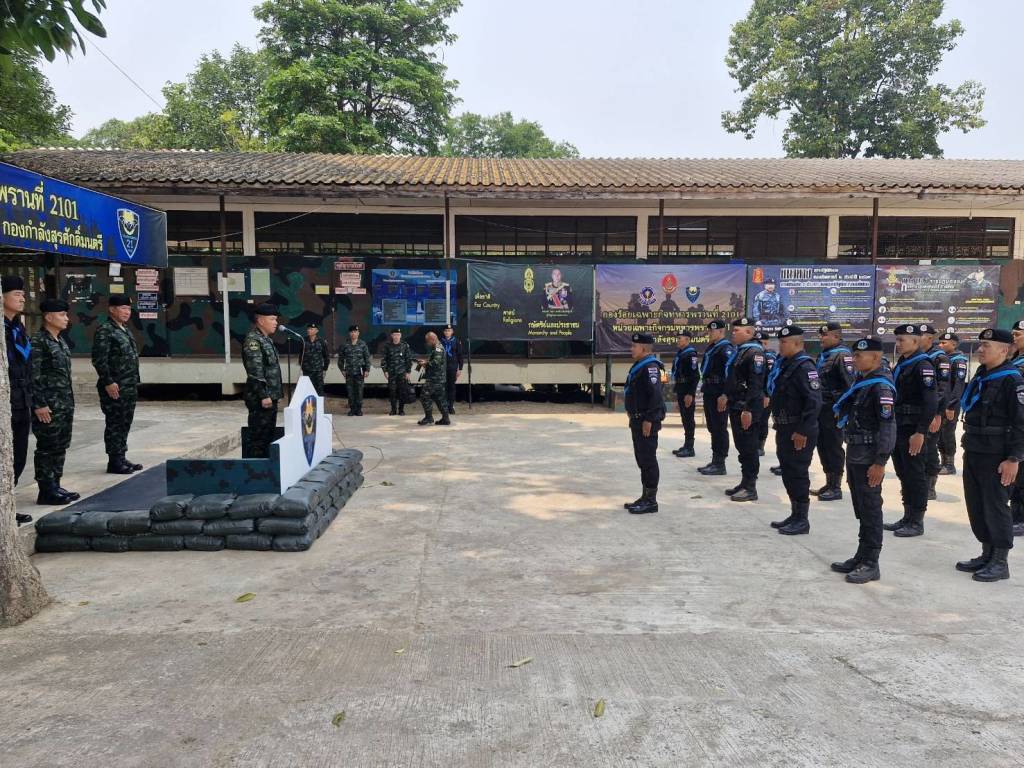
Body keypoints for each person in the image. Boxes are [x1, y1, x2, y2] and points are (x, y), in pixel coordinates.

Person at [955, 328, 1024, 582]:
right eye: (981, 344)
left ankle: (1000, 561)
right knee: (977, 505)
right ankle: (987, 554)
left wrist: (1014, 458)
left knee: (995, 507)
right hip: (974, 449)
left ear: (1004, 350)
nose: (981, 350)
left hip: (998, 456)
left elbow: (1021, 423)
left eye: (987, 346)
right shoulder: (982, 374)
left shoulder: (1013, 380)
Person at [830, 337, 896, 583]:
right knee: (861, 507)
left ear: (875, 358)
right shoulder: (863, 381)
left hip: (869, 457)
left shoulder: (881, 387)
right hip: (856, 453)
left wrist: (880, 462)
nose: (854, 359)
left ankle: (871, 562)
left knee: (870, 508)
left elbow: (888, 427)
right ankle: (861, 555)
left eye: (859, 356)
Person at [884, 324, 938, 537]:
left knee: (915, 474)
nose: (897, 344)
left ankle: (917, 521)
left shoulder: (922, 365)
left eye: (901, 340)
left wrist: (921, 432)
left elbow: (931, 401)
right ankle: (907, 516)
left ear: (915, 341)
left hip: (913, 429)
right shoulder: (904, 363)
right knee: (903, 472)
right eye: (896, 340)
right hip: (899, 425)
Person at [766, 325, 821, 534]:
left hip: (799, 430)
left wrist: (803, 431)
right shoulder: (786, 364)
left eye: (784, 342)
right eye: (780, 342)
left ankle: (802, 520)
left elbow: (814, 401)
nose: (780, 346)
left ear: (798, 343)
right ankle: (795, 514)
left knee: (798, 473)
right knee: (788, 472)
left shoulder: (805, 367)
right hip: (785, 427)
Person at [31, 298, 79, 505]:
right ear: (49, 317)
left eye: (66, 314)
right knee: (47, 447)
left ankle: (55, 484)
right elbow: (33, 375)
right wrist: (39, 404)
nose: (66, 318)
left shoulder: (59, 340)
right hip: (48, 406)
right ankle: (46, 490)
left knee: (60, 445)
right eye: (62, 315)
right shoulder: (38, 342)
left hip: (63, 404)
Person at [91, 294, 142, 475]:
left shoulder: (124, 329)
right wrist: (108, 381)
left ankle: (121, 456)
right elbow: (99, 359)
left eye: (128, 309)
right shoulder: (105, 330)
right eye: (123, 308)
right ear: (112, 309)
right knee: (115, 423)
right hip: (115, 386)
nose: (127, 312)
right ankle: (114, 461)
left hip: (128, 385)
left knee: (125, 421)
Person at [622, 332, 666, 514]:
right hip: (637, 419)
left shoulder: (651, 367)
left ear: (643, 348)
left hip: (646, 421)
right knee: (641, 459)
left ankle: (651, 501)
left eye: (634, 346)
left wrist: (650, 419)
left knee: (648, 460)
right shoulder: (641, 365)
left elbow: (656, 395)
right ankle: (644, 496)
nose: (631, 349)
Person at [722, 317, 765, 502]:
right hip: (736, 405)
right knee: (742, 447)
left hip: (746, 408)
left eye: (736, 330)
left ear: (748, 332)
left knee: (749, 448)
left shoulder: (755, 353)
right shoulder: (741, 351)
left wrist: (748, 409)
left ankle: (751, 487)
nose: (733, 333)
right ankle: (744, 482)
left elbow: (756, 384)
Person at [813, 323, 855, 501]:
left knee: (833, 447)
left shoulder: (842, 356)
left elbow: (850, 386)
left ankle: (836, 487)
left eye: (825, 335)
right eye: (821, 335)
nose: (821, 338)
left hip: (833, 411)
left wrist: (844, 411)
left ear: (836, 337)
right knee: (822, 445)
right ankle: (829, 482)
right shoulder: (824, 355)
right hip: (821, 409)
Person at [4, 276, 33, 524]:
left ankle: (8, 506)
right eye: (16, 294)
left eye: (23, 294)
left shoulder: (17, 327)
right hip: (6, 401)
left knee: (19, 456)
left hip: (22, 401)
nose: (22, 298)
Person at [241, 303, 283, 458]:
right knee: (258, 438)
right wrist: (264, 395)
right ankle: (255, 467)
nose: (276, 323)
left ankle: (265, 466)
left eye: (276, 319)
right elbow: (255, 372)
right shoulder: (253, 341)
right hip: (261, 399)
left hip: (270, 396)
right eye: (272, 319)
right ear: (260, 320)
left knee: (267, 436)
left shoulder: (266, 340)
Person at [697, 320, 733, 476]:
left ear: (721, 331)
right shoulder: (712, 348)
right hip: (710, 391)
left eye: (712, 331)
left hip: (719, 393)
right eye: (709, 331)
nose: (709, 333)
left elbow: (730, 374)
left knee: (719, 427)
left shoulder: (726, 349)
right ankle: (715, 460)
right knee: (713, 427)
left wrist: (725, 394)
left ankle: (720, 463)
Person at [920, 324, 952, 500]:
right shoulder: (917, 356)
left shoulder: (940, 358)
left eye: (922, 335)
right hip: (917, 412)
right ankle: (919, 483)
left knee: (929, 448)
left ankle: (930, 487)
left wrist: (936, 413)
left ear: (930, 338)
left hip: (932, 413)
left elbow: (942, 388)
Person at [937, 332, 969, 475]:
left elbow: (958, 385)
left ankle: (950, 465)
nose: (940, 345)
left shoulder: (959, 361)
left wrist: (951, 405)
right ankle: (943, 461)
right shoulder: (943, 359)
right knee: (939, 433)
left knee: (948, 433)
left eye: (944, 343)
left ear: (954, 344)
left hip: (951, 404)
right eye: (940, 343)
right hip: (942, 402)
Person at [670, 330, 699, 458]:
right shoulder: (681, 353)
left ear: (687, 340)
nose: (677, 340)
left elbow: (695, 376)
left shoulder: (690, 354)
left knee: (688, 418)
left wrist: (690, 394)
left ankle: (690, 447)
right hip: (681, 388)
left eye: (679, 338)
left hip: (687, 390)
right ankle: (686, 445)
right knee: (685, 418)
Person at [416, 330, 450, 426]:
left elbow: (436, 363)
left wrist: (425, 363)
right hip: (438, 379)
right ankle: (445, 418)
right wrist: (426, 362)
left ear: (433, 339)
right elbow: (435, 361)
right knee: (439, 398)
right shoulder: (436, 348)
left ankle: (429, 418)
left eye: (428, 341)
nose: (427, 343)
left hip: (435, 379)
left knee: (424, 396)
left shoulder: (438, 349)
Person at [1010, 319, 1024, 536]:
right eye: (1013, 334)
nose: (1014, 338)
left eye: (1018, 334)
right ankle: (1015, 514)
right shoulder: (1014, 359)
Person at [338, 324, 370, 416]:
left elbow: (367, 358)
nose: (353, 333)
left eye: (355, 332)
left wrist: (367, 370)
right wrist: (342, 370)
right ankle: (352, 409)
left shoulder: (363, 344)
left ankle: (359, 409)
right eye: (351, 332)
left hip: (360, 372)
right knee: (350, 392)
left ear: (358, 333)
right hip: (349, 372)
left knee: (359, 391)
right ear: (349, 333)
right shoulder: (345, 345)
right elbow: (340, 359)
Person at [381, 328, 413, 416]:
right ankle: (393, 409)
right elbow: (384, 360)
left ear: (400, 335)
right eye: (394, 335)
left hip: (402, 373)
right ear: (392, 336)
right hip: (391, 373)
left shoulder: (405, 346)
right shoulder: (387, 346)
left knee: (402, 392)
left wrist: (408, 372)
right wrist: (385, 371)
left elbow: (408, 359)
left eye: (398, 335)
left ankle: (401, 410)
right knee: (392, 392)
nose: (396, 337)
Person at [756, 331, 777, 457]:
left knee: (763, 420)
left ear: (767, 343)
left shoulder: (769, 357)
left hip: (765, 395)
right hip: (756, 393)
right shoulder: (756, 354)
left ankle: (760, 446)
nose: (761, 346)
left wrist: (767, 395)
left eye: (763, 343)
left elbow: (770, 377)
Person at [299, 323, 330, 396]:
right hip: (307, 371)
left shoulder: (321, 341)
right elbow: (301, 355)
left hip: (318, 371)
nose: (309, 330)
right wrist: (302, 367)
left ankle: (319, 403)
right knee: (308, 390)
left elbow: (326, 356)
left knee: (319, 390)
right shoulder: (303, 340)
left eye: (311, 329)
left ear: (316, 331)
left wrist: (325, 369)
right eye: (308, 329)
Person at [440, 324, 464, 414]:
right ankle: (444, 405)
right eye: (446, 331)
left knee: (451, 386)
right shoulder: (440, 342)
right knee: (444, 386)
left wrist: (460, 369)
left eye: (449, 331)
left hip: (452, 367)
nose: (447, 332)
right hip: (442, 367)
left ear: (452, 332)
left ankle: (451, 406)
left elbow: (460, 356)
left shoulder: (456, 341)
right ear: (443, 332)